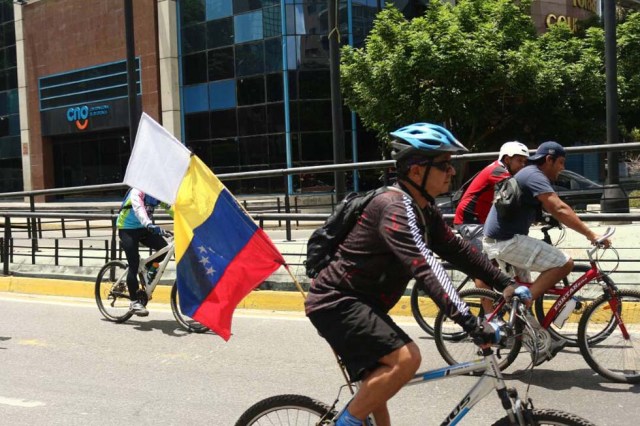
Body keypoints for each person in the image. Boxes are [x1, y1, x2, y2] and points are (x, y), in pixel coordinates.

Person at [304, 123, 518, 426]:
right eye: (444, 164)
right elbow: (425, 266)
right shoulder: (393, 208)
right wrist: (471, 322)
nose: (452, 172)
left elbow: (456, 249)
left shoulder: (423, 207)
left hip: (364, 304)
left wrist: (505, 282)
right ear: (417, 171)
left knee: (378, 390)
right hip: (337, 302)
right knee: (406, 359)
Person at [483, 141, 611, 364]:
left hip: (503, 240)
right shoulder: (534, 175)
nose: (562, 168)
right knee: (564, 263)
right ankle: (520, 302)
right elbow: (558, 207)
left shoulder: (529, 174)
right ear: (548, 159)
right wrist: (592, 235)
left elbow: (547, 209)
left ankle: (538, 344)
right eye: (560, 163)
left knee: (523, 293)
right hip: (506, 241)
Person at [453, 141, 529, 316]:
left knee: (501, 260)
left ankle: (494, 304)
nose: (523, 165)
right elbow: (518, 192)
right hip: (470, 223)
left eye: (525, 162)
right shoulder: (497, 170)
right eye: (520, 161)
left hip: (483, 222)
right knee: (485, 268)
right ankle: (490, 318)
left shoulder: (503, 170)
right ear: (508, 159)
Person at [116, 188, 172, 316]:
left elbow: (172, 208)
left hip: (143, 228)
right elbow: (139, 209)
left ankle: (146, 268)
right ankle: (134, 302)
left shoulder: (157, 193)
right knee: (133, 265)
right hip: (127, 228)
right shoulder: (137, 191)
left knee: (164, 249)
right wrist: (149, 224)